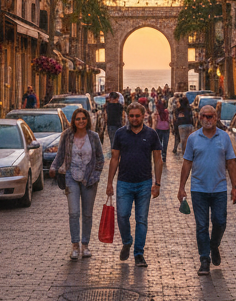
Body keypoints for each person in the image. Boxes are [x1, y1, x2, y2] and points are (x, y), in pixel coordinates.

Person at [179, 105, 236, 274]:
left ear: (216, 118)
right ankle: (204, 259)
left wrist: (235, 187)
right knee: (202, 226)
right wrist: (181, 187)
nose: (207, 119)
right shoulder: (193, 138)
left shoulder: (224, 137)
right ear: (199, 118)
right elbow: (187, 163)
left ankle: (214, 244)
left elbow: (231, 162)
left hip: (219, 188)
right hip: (199, 189)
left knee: (220, 221)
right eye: (204, 116)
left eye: (210, 116)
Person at [106, 102, 163, 267]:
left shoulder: (151, 134)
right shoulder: (120, 134)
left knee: (141, 219)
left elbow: (158, 159)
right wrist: (109, 183)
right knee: (122, 215)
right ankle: (127, 241)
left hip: (144, 183)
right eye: (131, 116)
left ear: (143, 116)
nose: (134, 118)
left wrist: (157, 183)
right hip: (124, 182)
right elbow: (114, 158)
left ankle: (139, 253)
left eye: (137, 116)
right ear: (127, 116)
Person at [53, 108, 105, 260]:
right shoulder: (67, 136)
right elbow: (60, 155)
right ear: (73, 121)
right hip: (71, 177)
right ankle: (75, 246)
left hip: (89, 180)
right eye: (78, 119)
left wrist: (95, 175)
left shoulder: (94, 137)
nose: (81, 121)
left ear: (87, 120)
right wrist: (53, 167)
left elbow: (100, 159)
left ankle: (85, 245)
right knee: (74, 213)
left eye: (83, 118)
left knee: (87, 214)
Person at [153, 98, 171, 162]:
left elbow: (155, 121)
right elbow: (169, 120)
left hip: (159, 128)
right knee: (165, 143)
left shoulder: (157, 112)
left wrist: (154, 129)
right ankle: (164, 155)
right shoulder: (166, 111)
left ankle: (159, 155)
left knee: (159, 143)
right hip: (166, 128)